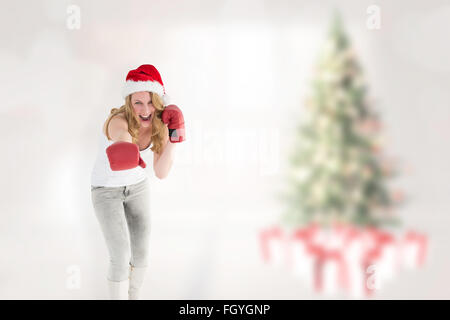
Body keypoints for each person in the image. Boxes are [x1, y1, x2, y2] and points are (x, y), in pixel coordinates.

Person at [90, 64, 185, 299]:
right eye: (138, 103)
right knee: (120, 256)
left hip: (137, 188)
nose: (145, 110)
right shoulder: (117, 120)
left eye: (150, 102)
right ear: (129, 103)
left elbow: (161, 172)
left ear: (159, 101)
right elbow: (122, 141)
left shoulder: (158, 125)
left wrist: (174, 135)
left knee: (141, 253)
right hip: (106, 189)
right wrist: (128, 150)